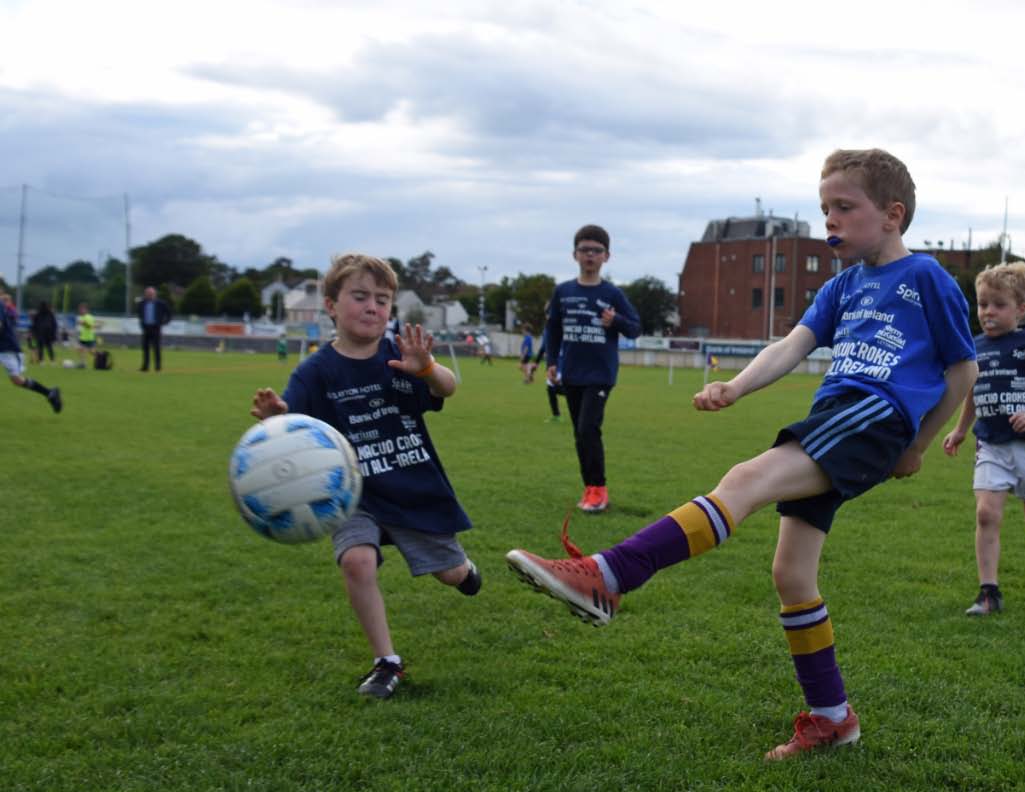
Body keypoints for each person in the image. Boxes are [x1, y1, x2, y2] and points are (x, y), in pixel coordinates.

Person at [507, 149, 977, 759]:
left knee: (747, 478)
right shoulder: (842, 286)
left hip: (874, 416)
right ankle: (833, 718)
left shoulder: (926, 279)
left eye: (844, 207)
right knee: (791, 574)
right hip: (835, 417)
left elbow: (962, 370)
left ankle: (610, 575)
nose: (830, 220)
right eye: (824, 208)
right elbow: (792, 344)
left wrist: (915, 444)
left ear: (892, 215)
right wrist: (735, 385)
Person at [250, 253, 480, 700]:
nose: (372, 307)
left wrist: (428, 369)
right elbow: (295, 429)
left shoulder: (402, 354)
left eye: (382, 299)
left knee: (451, 574)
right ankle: (387, 662)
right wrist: (277, 418)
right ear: (332, 305)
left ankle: (464, 569)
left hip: (413, 488)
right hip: (352, 494)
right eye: (359, 296)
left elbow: (448, 388)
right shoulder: (315, 372)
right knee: (357, 561)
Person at [941, 261, 1025, 617]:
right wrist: (960, 429)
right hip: (991, 446)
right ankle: (989, 592)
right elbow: (974, 391)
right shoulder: (975, 347)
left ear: (1020, 309)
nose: (988, 312)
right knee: (986, 514)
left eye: (998, 305)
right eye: (983, 304)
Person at [543, 225, 641, 513]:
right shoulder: (563, 291)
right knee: (580, 433)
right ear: (575, 254)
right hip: (571, 373)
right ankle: (590, 488)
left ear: (606, 257)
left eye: (596, 250)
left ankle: (599, 490)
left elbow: (635, 328)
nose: (590, 255)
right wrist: (551, 362)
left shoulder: (612, 294)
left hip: (600, 374)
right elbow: (553, 330)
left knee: (588, 429)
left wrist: (616, 321)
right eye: (585, 249)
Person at [1, 289, 61, 413]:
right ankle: (50, 393)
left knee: (16, 379)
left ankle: (50, 393)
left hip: (7, 348)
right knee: (16, 380)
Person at [136, 286, 173, 371]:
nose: (149, 295)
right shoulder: (141, 303)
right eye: (148, 294)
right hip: (146, 328)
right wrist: (142, 323)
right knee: (145, 348)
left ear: (155, 294)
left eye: (151, 294)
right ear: (145, 294)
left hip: (156, 328)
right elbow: (140, 314)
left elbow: (169, 314)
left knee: (156, 348)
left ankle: (158, 367)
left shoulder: (161, 303)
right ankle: (145, 366)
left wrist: (164, 322)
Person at [75, 302, 97, 368]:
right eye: (79, 309)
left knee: (91, 351)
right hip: (83, 337)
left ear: (86, 310)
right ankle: (83, 363)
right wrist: (82, 323)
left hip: (89, 337)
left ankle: (100, 356)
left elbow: (90, 327)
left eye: (81, 309)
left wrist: (83, 323)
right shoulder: (83, 317)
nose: (80, 311)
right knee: (80, 349)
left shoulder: (89, 317)